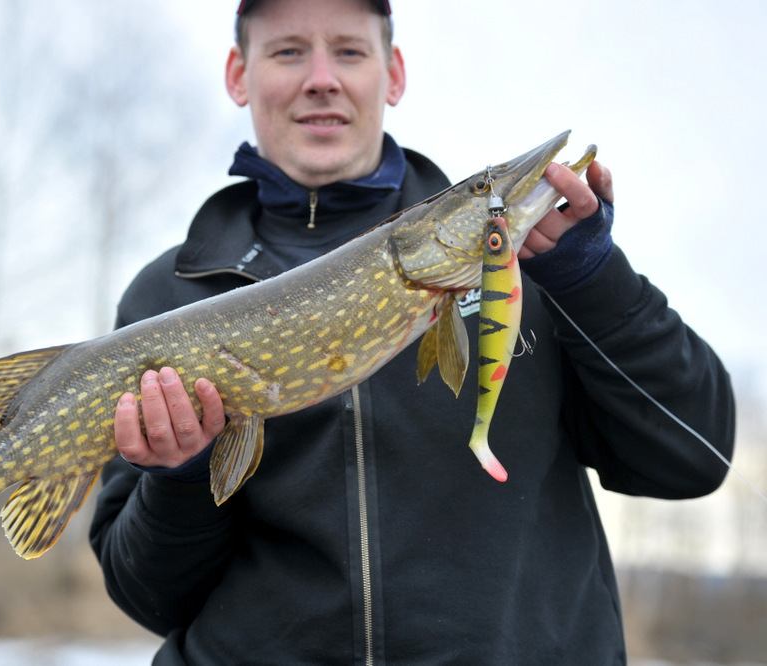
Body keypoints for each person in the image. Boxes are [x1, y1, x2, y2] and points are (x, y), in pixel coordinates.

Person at [89, 0, 735, 663]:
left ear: (392, 74)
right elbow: (149, 597)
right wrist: (182, 475)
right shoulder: (167, 298)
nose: (321, 77)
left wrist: (593, 278)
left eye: (349, 50)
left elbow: (693, 457)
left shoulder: (533, 270)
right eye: (287, 51)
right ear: (238, 74)